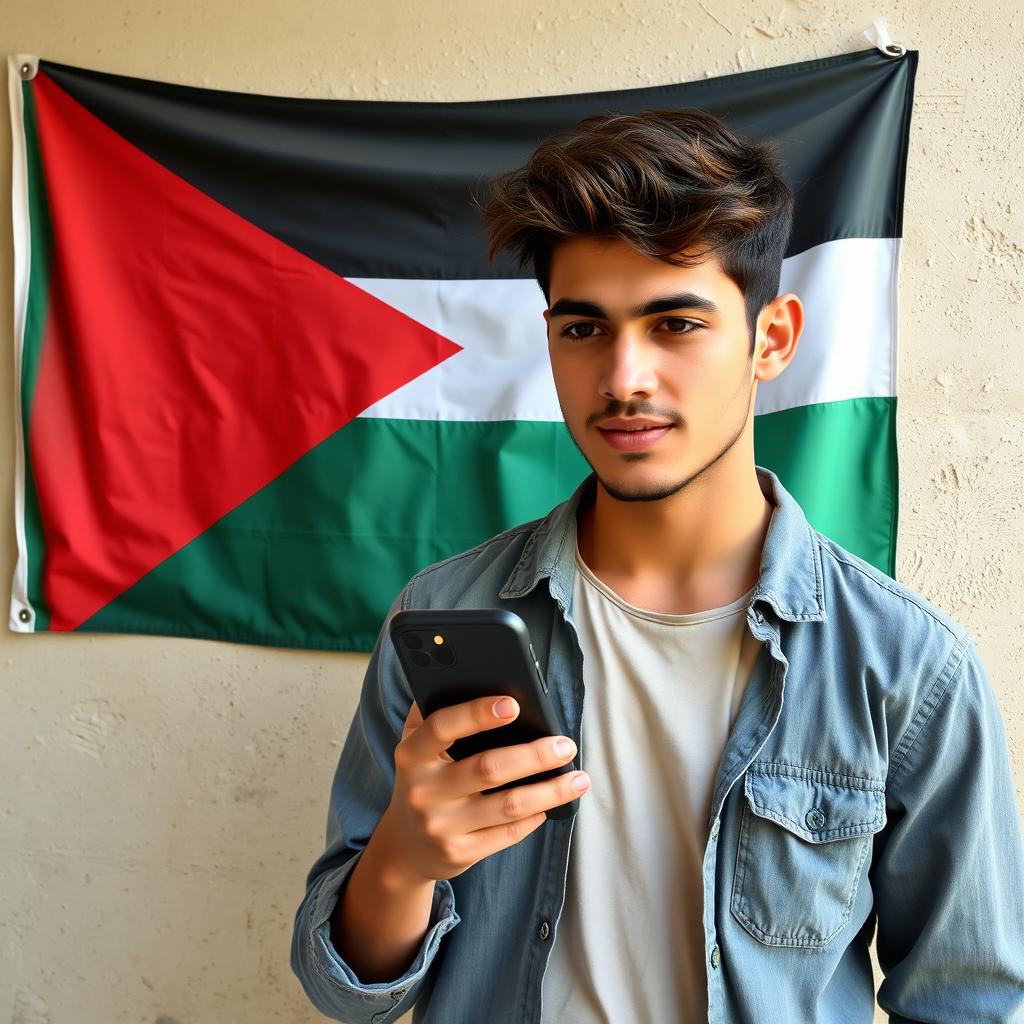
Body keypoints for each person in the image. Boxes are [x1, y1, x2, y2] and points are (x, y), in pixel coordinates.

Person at [290, 109, 1024, 1024]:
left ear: (772, 340)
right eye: (584, 329)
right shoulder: (445, 610)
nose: (624, 377)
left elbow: (969, 1005)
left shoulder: (909, 666)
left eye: (675, 323)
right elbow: (342, 993)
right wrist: (402, 858)